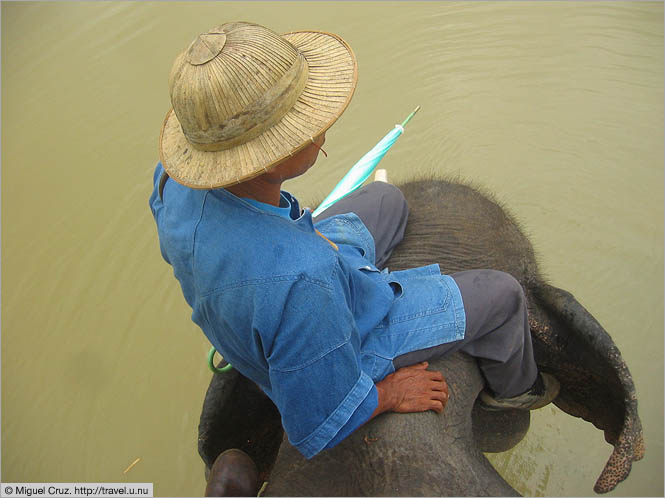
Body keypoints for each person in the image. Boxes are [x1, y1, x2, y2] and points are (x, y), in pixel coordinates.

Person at [149, 21, 559, 471]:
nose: (322, 128)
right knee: (502, 296)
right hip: (322, 312)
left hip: (271, 271)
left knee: (387, 201)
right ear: (266, 159)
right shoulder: (306, 279)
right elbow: (317, 419)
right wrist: (387, 394)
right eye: (304, 126)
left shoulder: (172, 181)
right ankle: (517, 394)